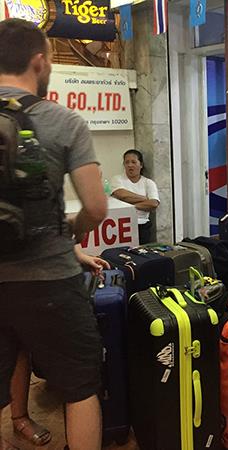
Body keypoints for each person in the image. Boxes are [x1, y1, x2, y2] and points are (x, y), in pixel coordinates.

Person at [0, 18, 107, 450]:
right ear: (40, 61)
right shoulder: (64, 121)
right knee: (80, 386)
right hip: (50, 282)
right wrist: (68, 238)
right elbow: (96, 209)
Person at [9, 246, 109, 447]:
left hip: (30, 278)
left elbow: (54, 222)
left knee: (19, 347)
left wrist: (78, 254)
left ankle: (19, 417)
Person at [110, 149, 159, 245]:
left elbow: (153, 203)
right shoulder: (117, 179)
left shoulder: (148, 183)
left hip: (142, 225)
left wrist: (130, 207)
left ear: (141, 165)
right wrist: (145, 199)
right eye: (126, 162)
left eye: (133, 162)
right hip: (121, 226)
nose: (130, 165)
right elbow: (122, 195)